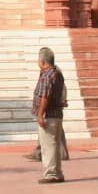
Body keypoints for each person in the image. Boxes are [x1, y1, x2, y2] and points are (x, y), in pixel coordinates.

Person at [32, 46, 66, 183]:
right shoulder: (57, 74)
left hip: (49, 116)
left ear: (43, 61)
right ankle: (57, 172)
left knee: (48, 146)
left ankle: (51, 174)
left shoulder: (47, 75)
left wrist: (40, 114)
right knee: (54, 145)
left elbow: (45, 96)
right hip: (57, 114)